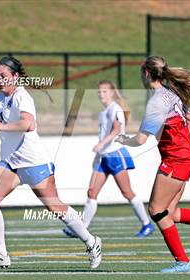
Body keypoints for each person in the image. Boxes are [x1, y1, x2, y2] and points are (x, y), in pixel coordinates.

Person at [0, 56, 102, 269]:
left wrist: (3, 127)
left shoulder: (23, 97)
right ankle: (1, 253)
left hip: (34, 162)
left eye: (3, 76)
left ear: (15, 76)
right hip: (10, 162)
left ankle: (91, 241)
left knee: (55, 207)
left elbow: (28, 124)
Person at [117, 55, 190, 273]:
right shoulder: (172, 93)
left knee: (156, 210)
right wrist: (180, 143)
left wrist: (123, 139)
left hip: (177, 159)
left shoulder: (157, 101)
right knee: (169, 213)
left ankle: (183, 261)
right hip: (184, 156)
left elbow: (141, 140)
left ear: (147, 74)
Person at [63, 80, 154, 239]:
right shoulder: (103, 112)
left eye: (104, 91)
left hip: (116, 154)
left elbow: (116, 130)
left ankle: (147, 224)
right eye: (99, 92)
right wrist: (99, 153)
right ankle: (81, 229)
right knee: (92, 192)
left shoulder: (116, 109)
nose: (101, 94)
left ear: (112, 93)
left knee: (127, 192)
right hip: (104, 157)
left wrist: (101, 144)